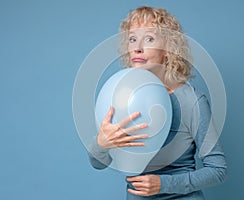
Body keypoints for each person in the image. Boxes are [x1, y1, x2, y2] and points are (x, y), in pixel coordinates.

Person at [88, 6, 227, 199]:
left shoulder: (192, 101)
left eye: (149, 39)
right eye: (132, 39)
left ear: (169, 48)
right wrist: (101, 144)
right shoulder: (122, 96)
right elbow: (98, 163)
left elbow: (218, 170)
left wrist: (164, 184)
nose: (137, 47)